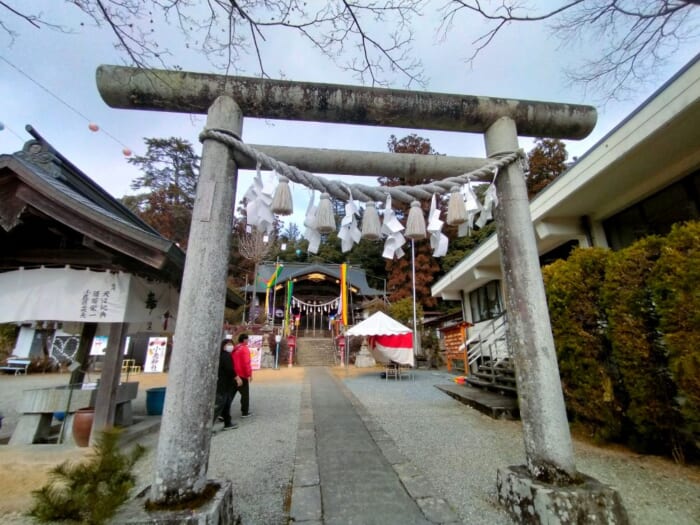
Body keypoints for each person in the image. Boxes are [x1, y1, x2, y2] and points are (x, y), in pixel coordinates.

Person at [213, 339, 240, 430]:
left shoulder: (224, 355)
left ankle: (227, 423)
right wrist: (237, 377)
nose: (230, 346)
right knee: (219, 405)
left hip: (227, 384)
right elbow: (229, 369)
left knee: (226, 404)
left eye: (231, 344)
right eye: (228, 344)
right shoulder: (225, 356)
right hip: (223, 384)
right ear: (223, 346)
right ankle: (208, 426)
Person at [231, 333, 253, 418]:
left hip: (233, 374)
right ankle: (245, 412)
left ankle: (222, 413)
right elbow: (246, 363)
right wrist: (249, 374)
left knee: (230, 394)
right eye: (247, 339)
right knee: (245, 395)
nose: (248, 341)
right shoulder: (244, 349)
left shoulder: (235, 348)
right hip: (242, 374)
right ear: (244, 340)